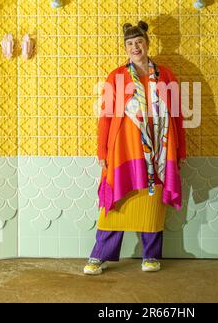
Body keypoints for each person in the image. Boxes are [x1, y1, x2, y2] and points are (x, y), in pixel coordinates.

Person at [84, 21, 186, 275]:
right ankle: (99, 255)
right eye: (130, 44)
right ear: (125, 48)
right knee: (116, 200)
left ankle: (150, 255)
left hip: (159, 152)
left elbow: (177, 116)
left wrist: (180, 151)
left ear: (147, 43)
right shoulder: (116, 76)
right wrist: (102, 151)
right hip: (123, 151)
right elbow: (105, 116)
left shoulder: (167, 75)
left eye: (139, 42)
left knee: (151, 201)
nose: (135, 47)